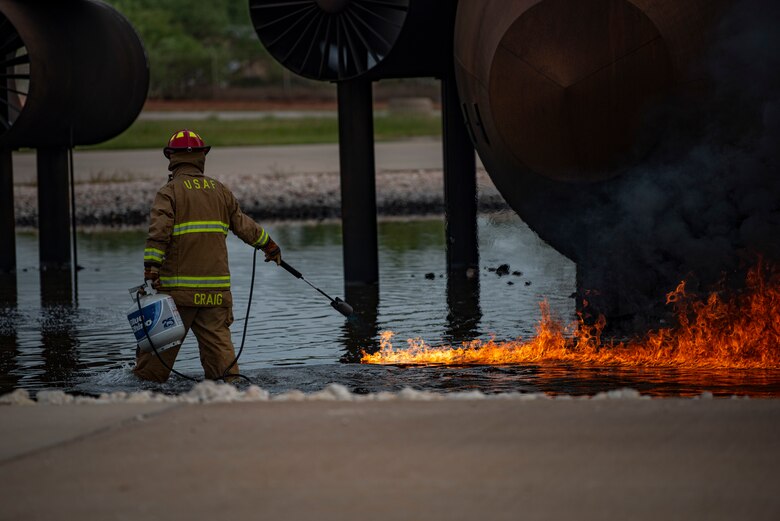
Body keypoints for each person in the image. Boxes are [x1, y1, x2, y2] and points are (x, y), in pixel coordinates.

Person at [133, 129, 281, 382]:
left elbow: (158, 234)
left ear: (171, 157)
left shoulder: (169, 192)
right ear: (202, 156)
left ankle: (142, 398)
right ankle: (233, 398)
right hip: (215, 294)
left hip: (177, 296)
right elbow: (244, 226)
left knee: (152, 368)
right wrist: (269, 246)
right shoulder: (220, 191)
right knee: (224, 368)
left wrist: (151, 270)